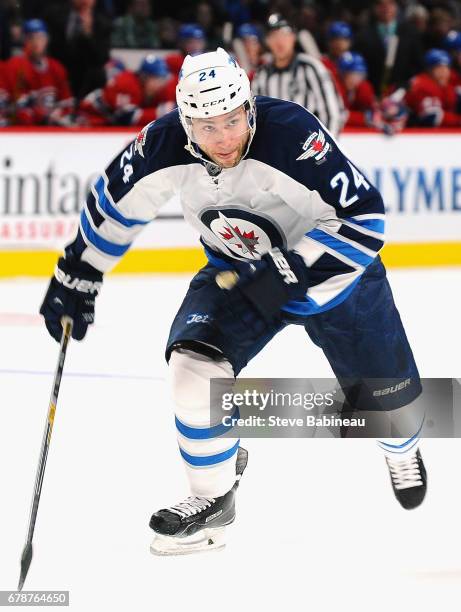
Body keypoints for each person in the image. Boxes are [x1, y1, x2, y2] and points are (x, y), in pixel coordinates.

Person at [39, 48, 427, 556]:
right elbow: (115, 204)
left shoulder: (292, 134)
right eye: (205, 126)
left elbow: (364, 219)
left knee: (391, 408)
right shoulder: (161, 144)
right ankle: (212, 502)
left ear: (249, 106)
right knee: (192, 372)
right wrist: (79, 270)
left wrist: (293, 270)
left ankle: (401, 449)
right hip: (235, 273)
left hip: (333, 278)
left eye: (232, 119)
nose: (223, 137)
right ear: (185, 123)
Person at [252, 14, 344, 136]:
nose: (279, 41)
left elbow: (333, 113)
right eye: (273, 35)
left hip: (310, 148)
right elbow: (254, 117)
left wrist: (325, 150)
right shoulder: (261, 75)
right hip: (275, 150)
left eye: (284, 34)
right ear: (267, 41)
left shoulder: (311, 68)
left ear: (293, 37)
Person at [5, 18, 73, 125]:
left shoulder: (56, 68)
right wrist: (43, 115)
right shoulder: (15, 66)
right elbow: (18, 107)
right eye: (31, 38)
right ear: (25, 41)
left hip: (52, 126)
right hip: (27, 128)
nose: (36, 42)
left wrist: (59, 114)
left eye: (40, 37)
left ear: (46, 39)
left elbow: (67, 103)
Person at [79, 55, 175, 126]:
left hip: (106, 121)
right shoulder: (127, 84)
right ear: (144, 78)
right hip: (88, 116)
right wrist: (163, 112)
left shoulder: (154, 91)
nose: (162, 84)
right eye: (158, 79)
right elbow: (125, 118)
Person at [355, 0, 424, 96]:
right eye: (381, 4)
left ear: (396, 6)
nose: (386, 8)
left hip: (405, 94)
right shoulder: (363, 36)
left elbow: (418, 66)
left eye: (390, 3)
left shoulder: (410, 32)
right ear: (374, 8)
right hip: (374, 95)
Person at [405, 48, 461, 127]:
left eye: (446, 67)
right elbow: (431, 117)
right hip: (410, 134)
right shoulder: (423, 84)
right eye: (439, 67)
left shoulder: (449, 82)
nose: (443, 72)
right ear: (429, 70)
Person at [321, 21, 353, 87]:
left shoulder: (355, 62)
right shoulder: (321, 63)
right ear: (328, 42)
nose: (339, 43)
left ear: (350, 42)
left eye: (344, 39)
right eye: (335, 39)